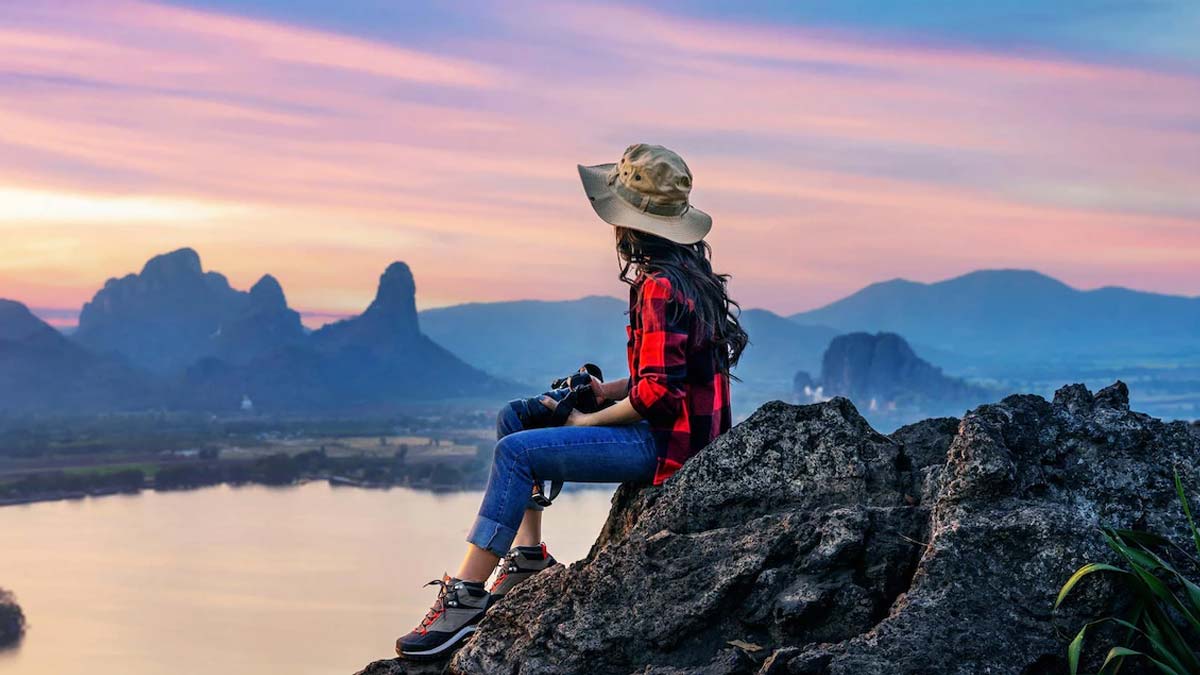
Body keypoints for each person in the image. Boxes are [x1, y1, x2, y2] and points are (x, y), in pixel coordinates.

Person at [395, 143, 749, 660]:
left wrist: (590, 416)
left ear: (627, 224)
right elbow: (668, 374)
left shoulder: (657, 286)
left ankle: (466, 599)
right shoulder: (685, 278)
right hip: (678, 431)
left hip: (670, 448)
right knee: (515, 417)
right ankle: (527, 558)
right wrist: (608, 390)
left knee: (515, 452)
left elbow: (660, 394)